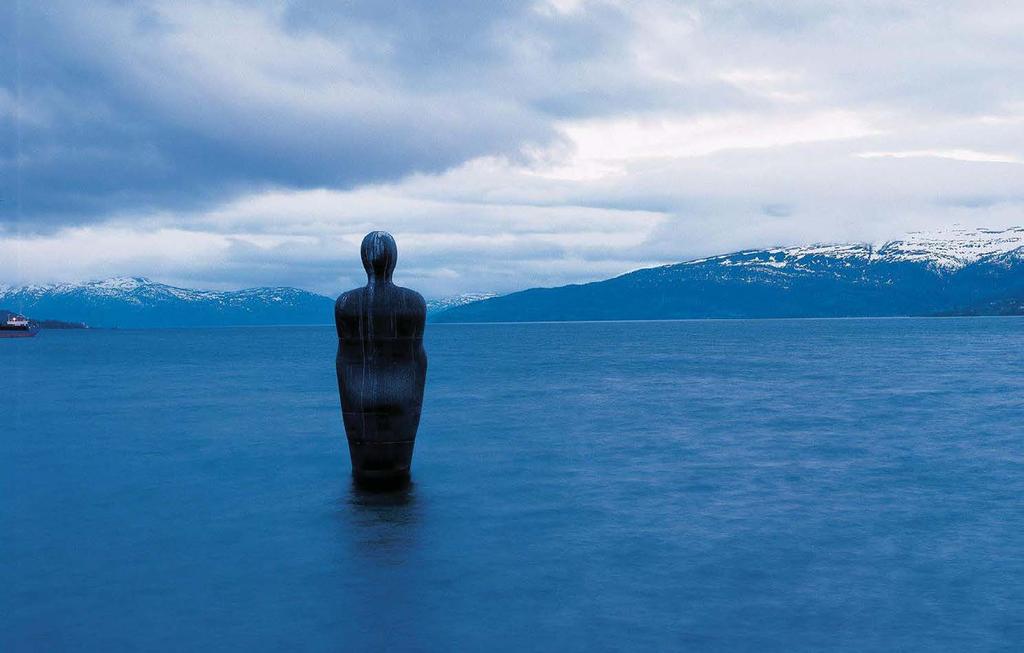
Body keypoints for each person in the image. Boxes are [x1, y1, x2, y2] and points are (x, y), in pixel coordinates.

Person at [334, 231, 427, 484]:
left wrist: (350, 394)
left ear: (364, 260)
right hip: (404, 393)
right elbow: (418, 357)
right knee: (400, 466)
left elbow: (343, 358)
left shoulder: (345, 304)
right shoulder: (415, 303)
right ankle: (398, 475)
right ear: (394, 259)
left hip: (358, 394)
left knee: (363, 466)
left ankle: (364, 478)